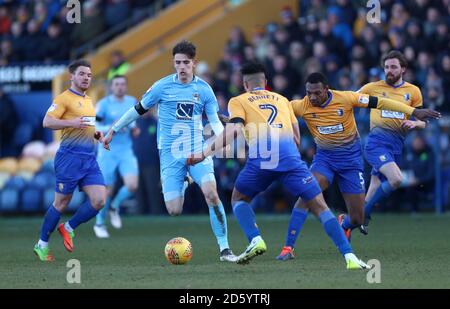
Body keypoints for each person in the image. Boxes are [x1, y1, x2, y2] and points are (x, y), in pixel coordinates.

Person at [188, 62, 370, 269]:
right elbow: (296, 138)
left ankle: (255, 239)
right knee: (320, 207)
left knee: (238, 199)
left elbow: (233, 132)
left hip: (263, 156)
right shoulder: (283, 100)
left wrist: (203, 153)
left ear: (245, 84)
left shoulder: (238, 100)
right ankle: (350, 257)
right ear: (265, 83)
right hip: (290, 158)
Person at [275, 72, 440, 261]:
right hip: (324, 161)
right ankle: (288, 248)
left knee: (357, 219)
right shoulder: (301, 105)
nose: (312, 97)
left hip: (351, 164)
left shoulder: (346, 98)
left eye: (317, 93)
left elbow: (380, 102)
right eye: (309, 93)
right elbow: (274, 109)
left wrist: (413, 112)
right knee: (306, 195)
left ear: (326, 89)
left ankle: (344, 222)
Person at [103, 40, 237, 262]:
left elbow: (215, 121)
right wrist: (113, 130)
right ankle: (186, 181)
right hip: (170, 154)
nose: (181, 67)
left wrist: (223, 138)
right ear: (173, 63)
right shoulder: (161, 87)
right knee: (174, 209)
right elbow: (137, 110)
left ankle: (225, 249)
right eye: (177, 62)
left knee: (212, 194)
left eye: (186, 62)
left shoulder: (204, 89)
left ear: (194, 63)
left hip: (197, 150)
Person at [350, 50, 432, 233]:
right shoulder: (372, 88)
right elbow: (350, 100)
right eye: (386, 67)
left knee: (373, 188)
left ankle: (348, 224)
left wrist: (414, 123)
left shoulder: (413, 91)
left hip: (396, 146)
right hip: (375, 143)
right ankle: (365, 214)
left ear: (403, 69)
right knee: (396, 179)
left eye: (394, 67)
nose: (389, 70)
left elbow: (423, 123)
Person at [34, 60, 107, 262]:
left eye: (89, 75)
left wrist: (98, 136)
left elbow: (87, 127)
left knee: (100, 200)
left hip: (89, 159)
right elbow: (47, 122)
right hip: (69, 158)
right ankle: (42, 244)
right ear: (72, 77)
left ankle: (68, 227)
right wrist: (70, 122)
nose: (86, 77)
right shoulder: (63, 98)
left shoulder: (89, 100)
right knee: (61, 202)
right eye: (82, 74)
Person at [93, 75, 140, 238]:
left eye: (122, 84)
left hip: (126, 151)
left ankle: (115, 206)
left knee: (132, 185)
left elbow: (133, 120)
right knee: (106, 190)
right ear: (111, 87)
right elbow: (95, 126)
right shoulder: (103, 104)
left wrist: (133, 128)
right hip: (107, 152)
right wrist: (114, 127)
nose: (120, 87)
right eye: (117, 84)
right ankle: (99, 223)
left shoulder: (131, 101)